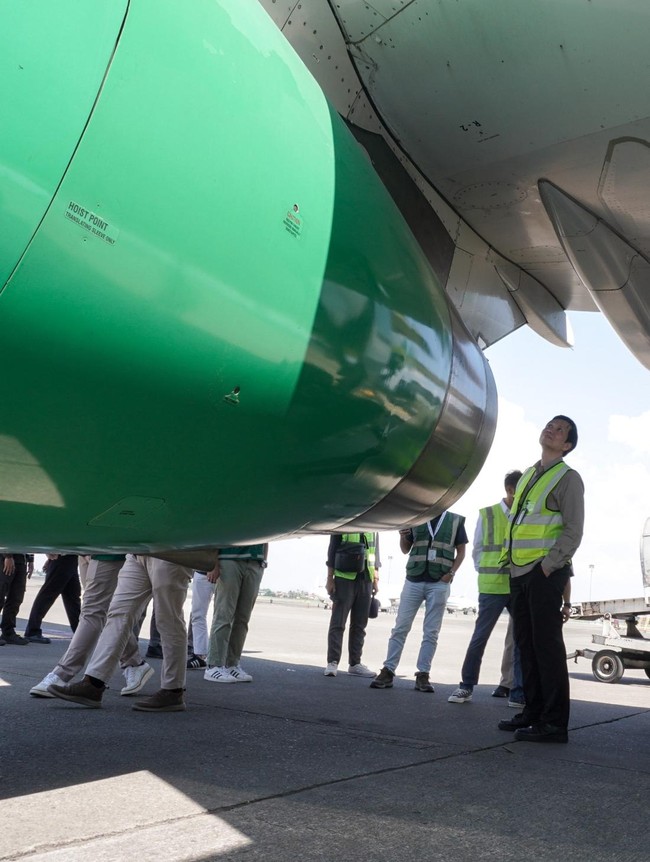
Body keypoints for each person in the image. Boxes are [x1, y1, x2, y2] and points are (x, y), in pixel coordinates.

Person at [498, 415, 584, 744]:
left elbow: (574, 530)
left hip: (543, 572)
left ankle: (554, 723)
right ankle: (532, 712)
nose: (551, 428)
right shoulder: (529, 475)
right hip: (519, 571)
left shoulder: (568, 478)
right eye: (550, 424)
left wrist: (548, 567)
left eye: (560, 429)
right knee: (526, 645)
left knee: (547, 649)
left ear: (567, 445)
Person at [47, 555, 193, 711]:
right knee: (117, 613)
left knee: (168, 619)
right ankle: (94, 683)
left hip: (169, 552)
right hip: (138, 552)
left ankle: (173, 689)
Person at [448, 471, 525, 707]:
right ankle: (466, 686)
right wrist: (486, 570)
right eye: (522, 489)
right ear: (510, 490)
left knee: (521, 641)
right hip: (492, 586)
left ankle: (518, 693)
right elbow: (478, 549)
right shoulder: (488, 514)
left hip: (518, 586)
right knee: (480, 637)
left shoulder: (526, 515)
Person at [29, 555, 153, 697]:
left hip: (108, 550)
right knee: (103, 610)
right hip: (87, 549)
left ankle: (63, 673)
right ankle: (133, 662)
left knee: (93, 610)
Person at [370, 511, 467, 692]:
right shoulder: (417, 516)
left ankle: (423, 674)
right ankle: (388, 670)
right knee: (400, 627)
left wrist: (451, 573)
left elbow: (461, 551)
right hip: (414, 579)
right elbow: (405, 549)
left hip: (439, 581)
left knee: (431, 632)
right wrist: (402, 536)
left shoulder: (455, 520)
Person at [203, 544, 268, 684]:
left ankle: (232, 663)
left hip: (255, 560)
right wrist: (213, 565)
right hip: (229, 558)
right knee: (223, 615)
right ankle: (214, 664)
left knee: (243, 618)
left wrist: (263, 561)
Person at [323, 532, 380, 678]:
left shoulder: (374, 528)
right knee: (338, 622)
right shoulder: (345, 523)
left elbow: (375, 554)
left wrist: (375, 578)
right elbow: (332, 549)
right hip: (344, 576)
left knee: (360, 625)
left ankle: (355, 664)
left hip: (366, 578)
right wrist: (330, 578)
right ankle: (332, 662)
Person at [24, 554, 81, 643]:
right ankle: (32, 631)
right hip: (63, 557)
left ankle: (80, 632)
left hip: (71, 558)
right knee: (47, 596)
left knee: (72, 598)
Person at [0, 554, 33, 645]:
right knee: (1, 593)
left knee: (16, 597)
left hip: (21, 558)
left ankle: (8, 632)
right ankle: (8, 631)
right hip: (4, 556)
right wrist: (8, 555)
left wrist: (30, 560)